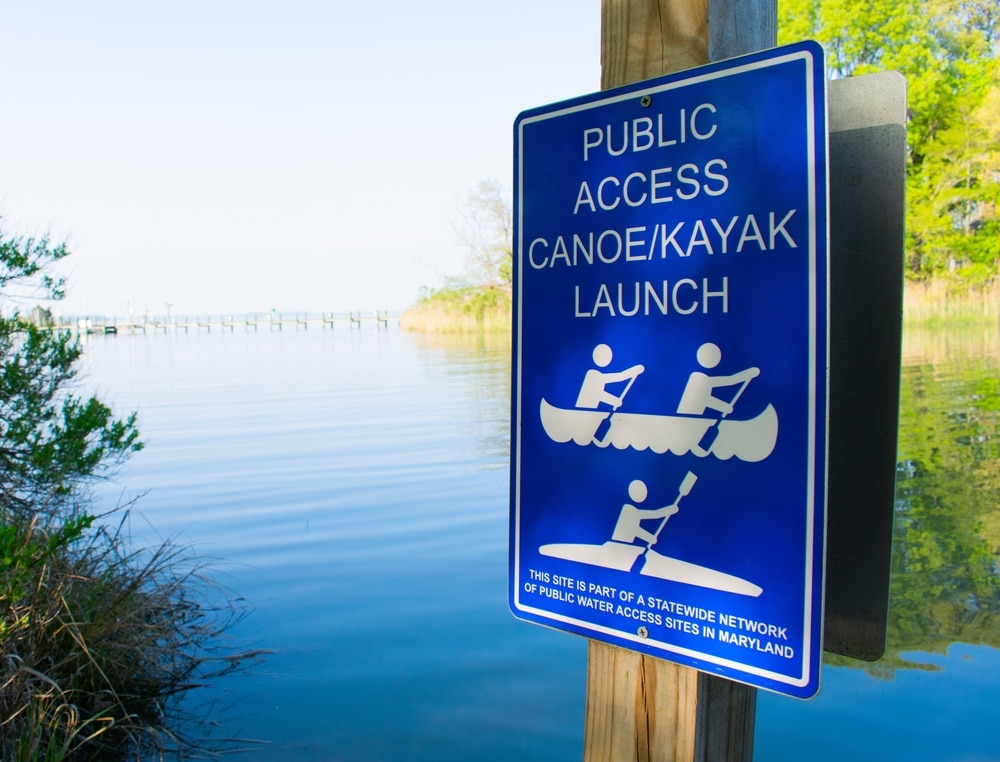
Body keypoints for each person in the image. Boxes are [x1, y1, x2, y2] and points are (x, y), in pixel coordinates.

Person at [677, 342, 759, 416]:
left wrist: (749, 373)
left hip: (695, 420)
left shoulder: (704, 380)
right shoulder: (698, 381)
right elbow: (704, 400)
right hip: (688, 419)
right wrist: (725, 407)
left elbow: (731, 380)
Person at [575, 343, 644, 410]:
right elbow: (598, 394)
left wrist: (635, 370)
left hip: (591, 412)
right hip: (583, 411)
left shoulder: (598, 376)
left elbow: (620, 376)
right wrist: (615, 401)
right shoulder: (592, 375)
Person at [611, 479, 679, 545]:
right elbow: (634, 530)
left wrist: (670, 509)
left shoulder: (633, 511)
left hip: (625, 546)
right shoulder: (629, 511)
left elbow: (655, 514)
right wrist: (650, 538)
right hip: (619, 545)